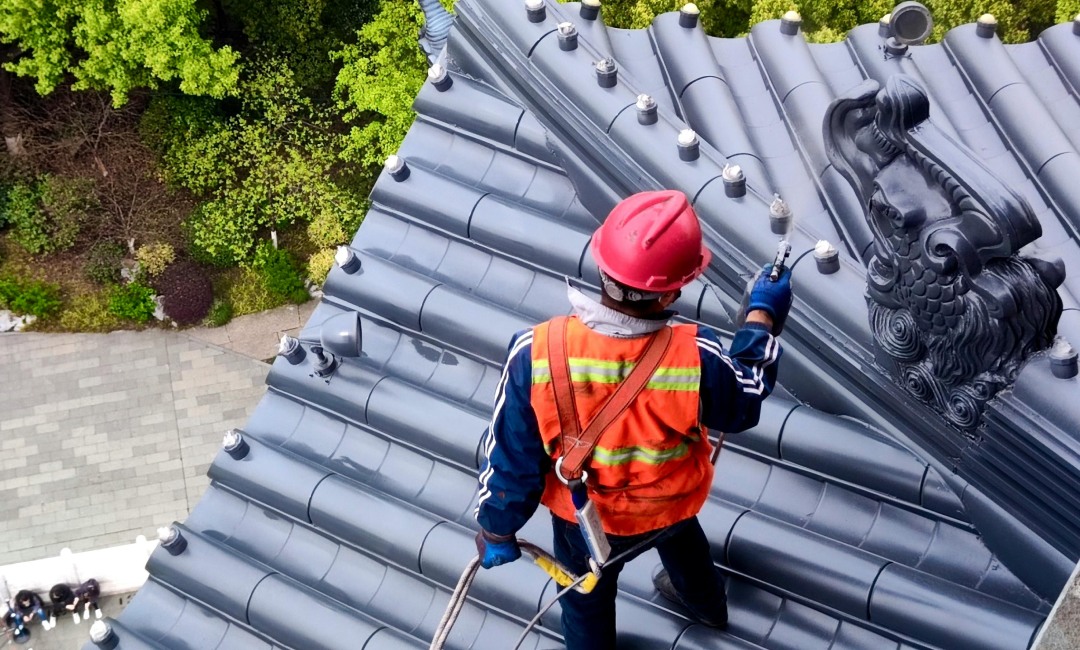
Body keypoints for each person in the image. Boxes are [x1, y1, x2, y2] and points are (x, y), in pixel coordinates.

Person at [474, 189, 791, 649]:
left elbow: (512, 461)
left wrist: (496, 528)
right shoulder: (695, 358)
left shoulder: (536, 354)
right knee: (686, 552)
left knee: (585, 599)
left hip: (584, 521)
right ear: (672, 290)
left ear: (603, 265)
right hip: (669, 505)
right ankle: (706, 607)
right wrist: (761, 315)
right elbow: (743, 399)